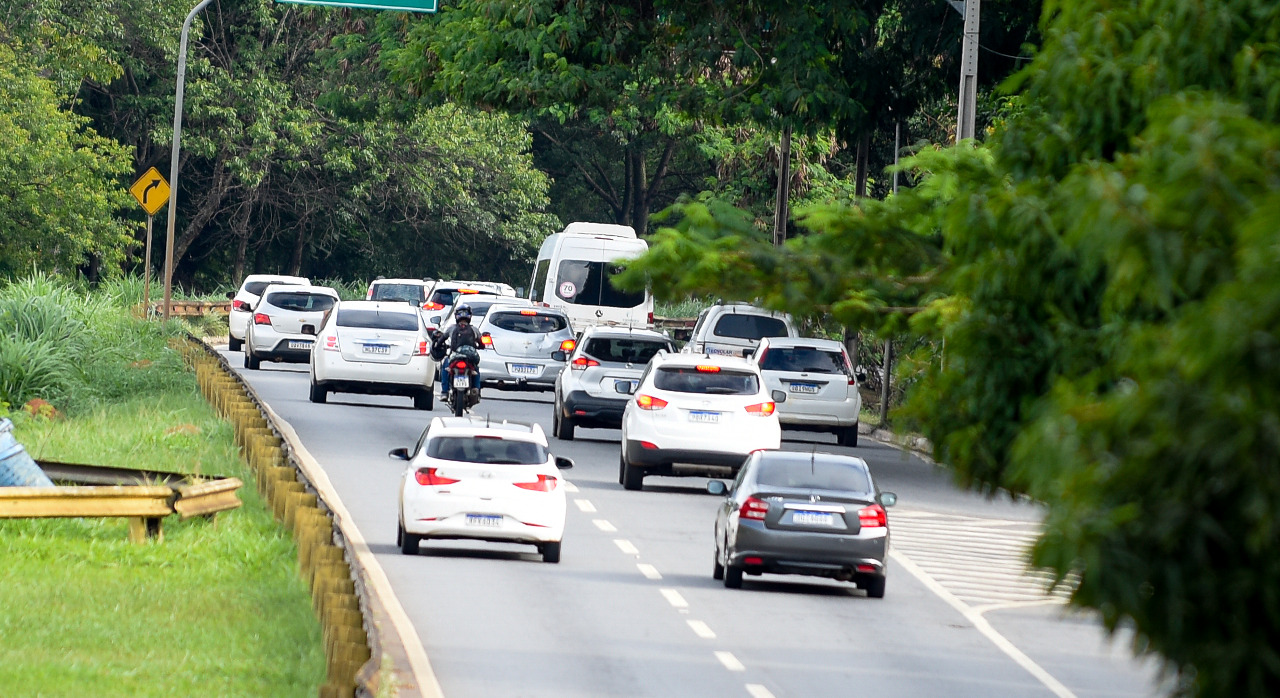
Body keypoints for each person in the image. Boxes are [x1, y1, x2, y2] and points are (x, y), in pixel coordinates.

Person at [436, 304, 482, 398]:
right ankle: (476, 389)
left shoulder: (451, 328)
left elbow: (441, 340)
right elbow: (481, 343)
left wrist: (437, 345)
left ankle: (444, 392)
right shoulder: (474, 329)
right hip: (470, 359)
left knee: (445, 367)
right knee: (476, 369)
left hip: (454, 357)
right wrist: (480, 346)